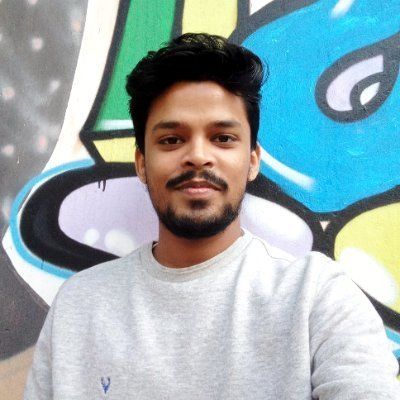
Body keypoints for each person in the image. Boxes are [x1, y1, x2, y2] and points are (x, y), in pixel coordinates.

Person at [24, 33, 399, 400]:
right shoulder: (79, 307)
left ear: (252, 160)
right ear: (141, 163)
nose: (198, 156)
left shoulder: (315, 296)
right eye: (172, 140)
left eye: (223, 138)